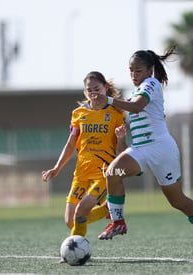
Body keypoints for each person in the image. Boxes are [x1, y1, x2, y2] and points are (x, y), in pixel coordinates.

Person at [95, 48, 193, 255]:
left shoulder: (151, 84)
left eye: (138, 70)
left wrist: (110, 101)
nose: (133, 75)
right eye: (131, 70)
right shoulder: (135, 91)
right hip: (140, 149)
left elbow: (138, 107)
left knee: (177, 201)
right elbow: (132, 108)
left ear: (150, 70)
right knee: (113, 173)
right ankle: (118, 222)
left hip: (162, 150)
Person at [42, 71, 127, 241]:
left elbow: (122, 150)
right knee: (70, 221)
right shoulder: (78, 114)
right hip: (81, 173)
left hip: (103, 173)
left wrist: (121, 138)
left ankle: (73, 249)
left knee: (82, 209)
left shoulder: (116, 114)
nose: (93, 93)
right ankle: (107, 209)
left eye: (97, 89)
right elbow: (71, 143)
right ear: (85, 92)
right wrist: (57, 167)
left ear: (105, 87)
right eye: (89, 90)